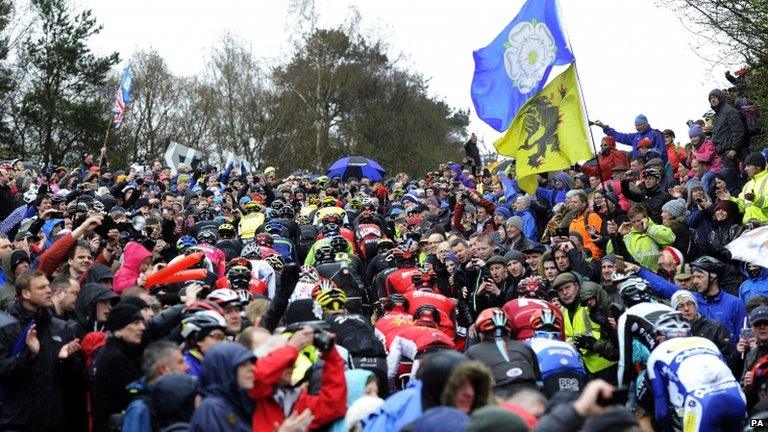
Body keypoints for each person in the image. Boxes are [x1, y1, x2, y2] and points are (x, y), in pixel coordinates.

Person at [0, 270, 82, 432]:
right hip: (18, 422)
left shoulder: (60, 327)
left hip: (52, 422)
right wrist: (29, 355)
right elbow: (3, 372)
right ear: (26, 293)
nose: (48, 290)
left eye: (48, 286)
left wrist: (65, 360)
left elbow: (74, 379)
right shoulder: (7, 329)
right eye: (41, 287)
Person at [647, 311, 746, 431]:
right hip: (736, 397)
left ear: (662, 336)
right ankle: (761, 422)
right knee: (752, 424)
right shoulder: (707, 343)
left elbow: (662, 412)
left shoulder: (656, 354)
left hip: (701, 405)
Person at [249, 327, 348, 431]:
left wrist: (330, 354)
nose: (293, 367)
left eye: (293, 362)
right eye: (287, 362)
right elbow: (257, 377)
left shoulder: (294, 398)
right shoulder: (251, 395)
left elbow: (332, 406)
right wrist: (292, 348)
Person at [92, 302, 146, 432]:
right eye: (135, 323)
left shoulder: (125, 352)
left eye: (142, 322)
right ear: (119, 328)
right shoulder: (115, 358)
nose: (142, 327)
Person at [465, 307, 540, 397]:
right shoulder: (525, 347)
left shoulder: (472, 352)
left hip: (497, 397)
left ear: (482, 334)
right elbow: (540, 383)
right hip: (530, 395)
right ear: (508, 332)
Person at [188, 342, 256, 432]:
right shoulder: (213, 409)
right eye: (243, 365)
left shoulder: (235, 401)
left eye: (251, 363)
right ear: (224, 370)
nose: (252, 368)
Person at [709, 88, 747, 193]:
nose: (713, 100)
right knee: (729, 180)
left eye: (715, 97)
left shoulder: (729, 110)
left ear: (721, 97)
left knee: (736, 180)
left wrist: (734, 149)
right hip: (723, 154)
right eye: (711, 98)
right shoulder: (717, 115)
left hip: (731, 153)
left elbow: (738, 130)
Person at [593, 114, 666, 161]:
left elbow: (663, 153)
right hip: (637, 167)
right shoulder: (635, 136)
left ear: (646, 123)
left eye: (640, 125)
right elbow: (619, 136)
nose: (637, 127)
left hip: (652, 166)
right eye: (636, 125)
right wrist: (603, 126)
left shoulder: (656, 134)